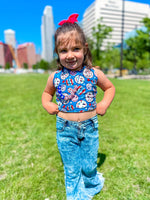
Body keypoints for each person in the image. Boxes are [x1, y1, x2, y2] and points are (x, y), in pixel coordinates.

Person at [42, 13, 115, 200]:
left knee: (89, 164)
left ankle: (91, 184)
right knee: (71, 167)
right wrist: (47, 104)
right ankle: (75, 195)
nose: (70, 55)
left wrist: (104, 103)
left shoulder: (94, 73)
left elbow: (109, 88)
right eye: (64, 50)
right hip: (65, 130)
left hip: (90, 127)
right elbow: (46, 93)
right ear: (57, 53)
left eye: (75, 48)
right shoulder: (55, 77)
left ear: (85, 48)